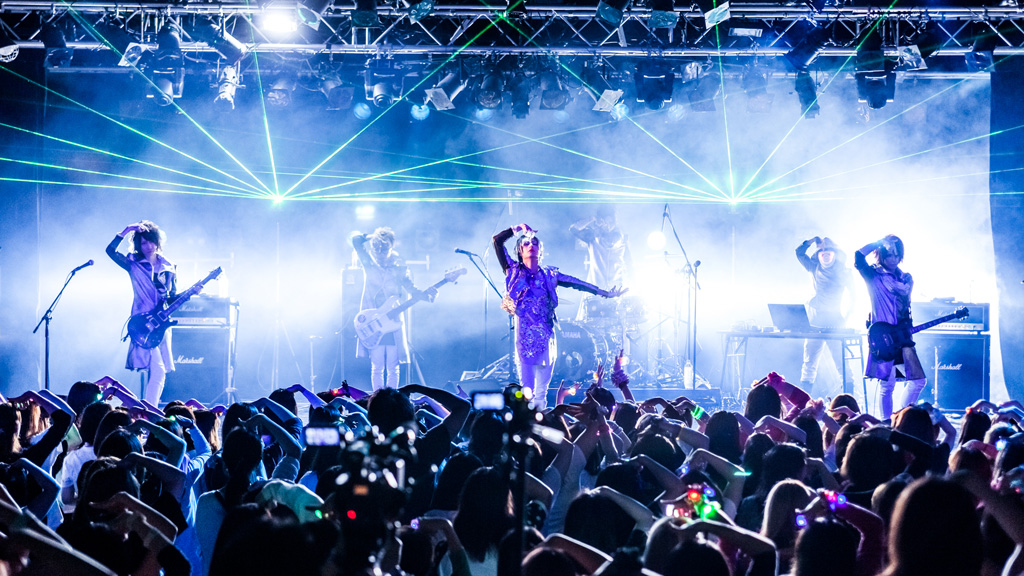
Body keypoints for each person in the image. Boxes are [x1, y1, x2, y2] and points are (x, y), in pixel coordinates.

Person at [493, 223, 626, 409]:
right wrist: (516, 229)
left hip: (547, 338)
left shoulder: (549, 274)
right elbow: (497, 241)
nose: (531, 245)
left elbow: (578, 283)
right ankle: (527, 422)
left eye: (535, 243)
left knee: (542, 391)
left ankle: (542, 419)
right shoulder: (513, 270)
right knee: (528, 391)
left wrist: (605, 293)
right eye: (526, 244)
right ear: (520, 251)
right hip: (525, 340)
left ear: (540, 251)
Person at [350, 228, 436, 391]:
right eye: (377, 249)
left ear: (391, 248)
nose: (380, 253)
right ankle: (377, 399)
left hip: (392, 321)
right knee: (377, 366)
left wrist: (428, 295)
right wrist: (374, 236)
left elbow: (412, 290)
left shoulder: (398, 269)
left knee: (393, 367)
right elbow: (356, 240)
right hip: (373, 321)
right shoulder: (369, 264)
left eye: (384, 249)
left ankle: (391, 399)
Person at [855, 235, 926, 419]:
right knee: (887, 384)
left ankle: (902, 416)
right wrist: (878, 243)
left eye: (896, 255)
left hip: (903, 335)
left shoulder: (906, 278)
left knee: (918, 381)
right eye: (889, 255)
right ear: (881, 256)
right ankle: (886, 423)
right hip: (883, 335)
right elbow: (858, 256)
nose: (893, 259)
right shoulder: (873, 275)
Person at [106, 221, 176, 406]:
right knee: (158, 370)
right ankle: (148, 411)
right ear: (138, 244)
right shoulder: (133, 264)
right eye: (143, 243)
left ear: (157, 241)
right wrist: (127, 230)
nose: (148, 246)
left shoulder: (169, 267)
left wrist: (193, 292)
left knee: (159, 371)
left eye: (151, 241)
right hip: (143, 322)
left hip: (161, 323)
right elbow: (110, 251)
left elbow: (172, 297)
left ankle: (145, 410)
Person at [795, 236, 854, 397]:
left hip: (835, 321)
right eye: (822, 251)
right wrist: (811, 241)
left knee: (842, 364)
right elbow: (799, 253)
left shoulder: (844, 272)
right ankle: (804, 402)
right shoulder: (813, 267)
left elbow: (854, 298)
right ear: (818, 255)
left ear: (835, 253)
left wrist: (846, 318)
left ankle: (850, 401)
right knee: (809, 363)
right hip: (815, 321)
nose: (825, 254)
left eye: (828, 251)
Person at [569, 206, 630, 323]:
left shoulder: (621, 238)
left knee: (616, 324)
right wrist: (592, 218)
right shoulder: (592, 237)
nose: (608, 225)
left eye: (611, 222)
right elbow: (573, 229)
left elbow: (628, 262)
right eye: (606, 222)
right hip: (595, 288)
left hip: (616, 288)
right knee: (591, 324)